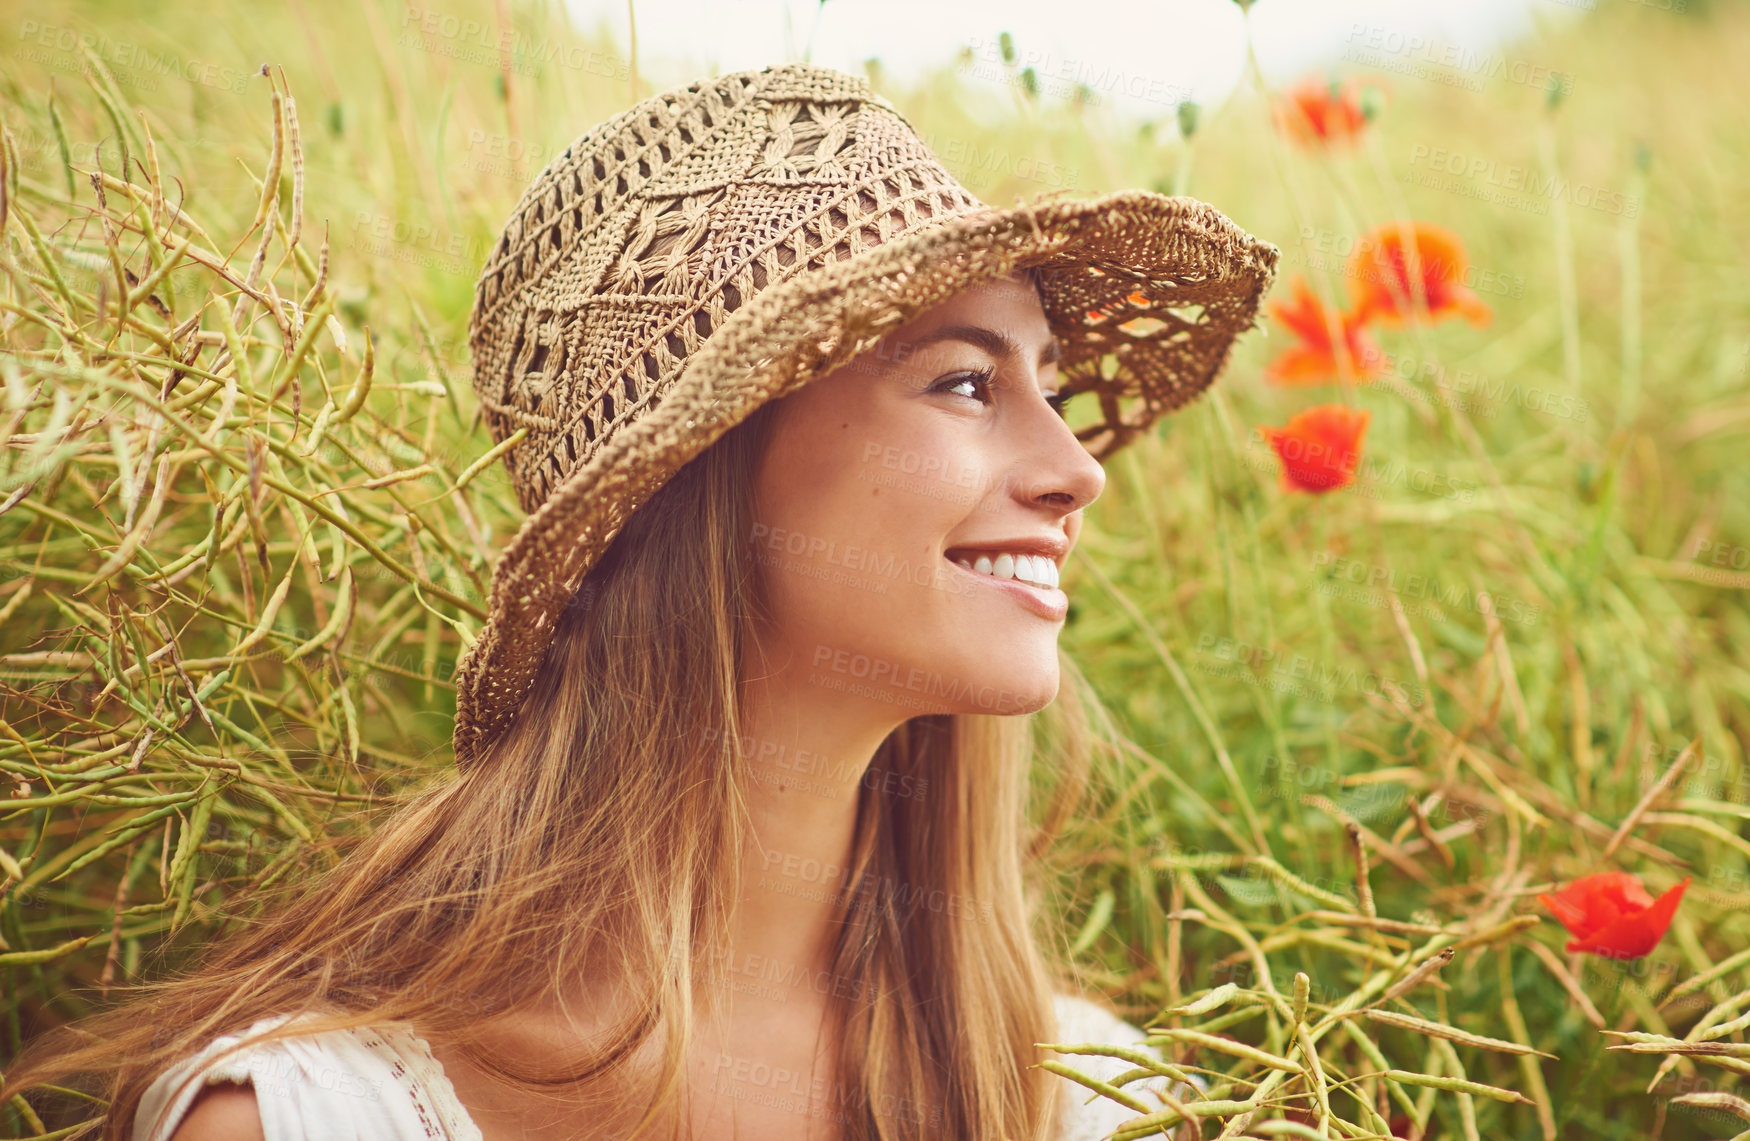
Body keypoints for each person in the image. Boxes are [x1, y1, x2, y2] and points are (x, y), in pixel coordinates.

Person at [2, 61, 1275, 1141]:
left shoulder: (1087, 1096)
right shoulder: (317, 1114)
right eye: (959, 384)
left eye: (1049, 386)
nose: (1074, 469)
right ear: (704, 472)